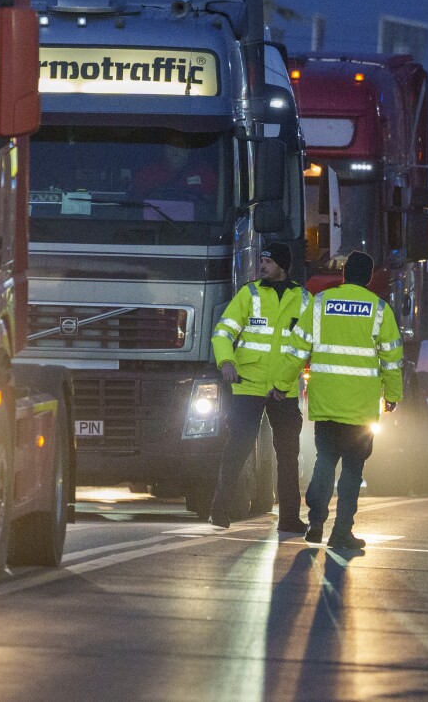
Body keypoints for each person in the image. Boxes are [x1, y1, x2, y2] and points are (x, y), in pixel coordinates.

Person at [274, 250, 402, 550]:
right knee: (353, 471)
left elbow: (296, 349)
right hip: (361, 409)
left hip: (326, 403)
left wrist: (281, 384)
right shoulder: (380, 310)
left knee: (325, 462)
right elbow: (392, 360)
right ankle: (342, 532)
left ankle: (316, 522)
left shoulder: (320, 304)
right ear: (369, 277)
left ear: (344, 275)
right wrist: (393, 396)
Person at [208, 242, 310, 531]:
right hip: (248, 383)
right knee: (238, 447)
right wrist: (226, 362)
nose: (262, 265)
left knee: (288, 453)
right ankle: (220, 508)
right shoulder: (249, 293)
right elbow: (223, 333)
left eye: (268, 261)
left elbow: (307, 344)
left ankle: (289, 518)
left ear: (282, 265)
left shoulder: (303, 300)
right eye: (261, 260)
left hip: (284, 388)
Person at [130, 130, 218, 204]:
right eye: (171, 145)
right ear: (164, 148)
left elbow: (214, 200)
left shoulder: (202, 173)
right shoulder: (149, 172)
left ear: (188, 149)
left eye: (180, 145)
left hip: (196, 223)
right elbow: (136, 198)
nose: (175, 150)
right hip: (154, 220)